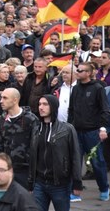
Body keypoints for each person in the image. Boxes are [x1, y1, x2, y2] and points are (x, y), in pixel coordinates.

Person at [29, 95, 82, 211]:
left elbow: (75, 156)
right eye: (39, 104)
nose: (41, 107)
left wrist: (77, 182)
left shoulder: (67, 129)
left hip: (60, 184)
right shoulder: (36, 129)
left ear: (53, 107)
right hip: (39, 183)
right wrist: (30, 181)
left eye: (45, 104)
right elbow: (32, 156)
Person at [67, 62, 110, 201]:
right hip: (76, 131)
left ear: (89, 73)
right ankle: (76, 191)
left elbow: (105, 109)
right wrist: (69, 127)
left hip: (92, 132)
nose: (77, 72)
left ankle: (104, 188)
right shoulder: (75, 89)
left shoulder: (98, 88)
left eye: (81, 70)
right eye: (77, 70)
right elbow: (71, 110)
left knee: (97, 163)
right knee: (75, 163)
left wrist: (103, 128)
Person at [0, 88, 38, 188]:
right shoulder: (2, 118)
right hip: (6, 169)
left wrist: (32, 176)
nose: (1, 101)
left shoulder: (30, 119)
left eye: (5, 98)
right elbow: (0, 143)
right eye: (1, 97)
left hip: (24, 171)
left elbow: (35, 148)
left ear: (15, 100)